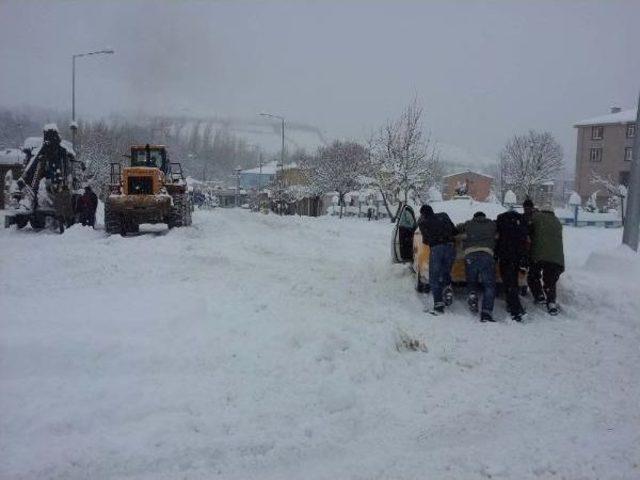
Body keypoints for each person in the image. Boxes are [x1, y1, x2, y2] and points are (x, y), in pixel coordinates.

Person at [457, 211, 497, 322]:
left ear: (474, 217)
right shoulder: (492, 224)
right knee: (489, 285)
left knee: (472, 280)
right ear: (485, 217)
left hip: (470, 255)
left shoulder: (469, 223)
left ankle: (472, 296)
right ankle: (486, 313)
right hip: (486, 255)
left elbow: (457, 228)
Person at [417, 204, 457, 315]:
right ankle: (447, 287)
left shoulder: (423, 223)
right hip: (450, 247)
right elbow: (454, 231)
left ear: (423, 214)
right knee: (446, 271)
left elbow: (425, 241)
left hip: (437, 249)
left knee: (434, 277)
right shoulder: (443, 216)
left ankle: (438, 304)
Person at [527, 202, 564, 315]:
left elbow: (529, 231)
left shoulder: (536, 218)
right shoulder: (557, 222)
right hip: (556, 258)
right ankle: (551, 302)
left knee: (533, 276)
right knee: (550, 281)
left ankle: (539, 295)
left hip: (539, 255)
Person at [496, 207, 529, 321]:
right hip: (516, 256)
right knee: (512, 281)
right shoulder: (521, 222)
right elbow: (525, 238)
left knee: (508, 282)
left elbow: (496, 234)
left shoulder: (501, 220)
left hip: (505, 255)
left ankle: (516, 311)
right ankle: (512, 305)